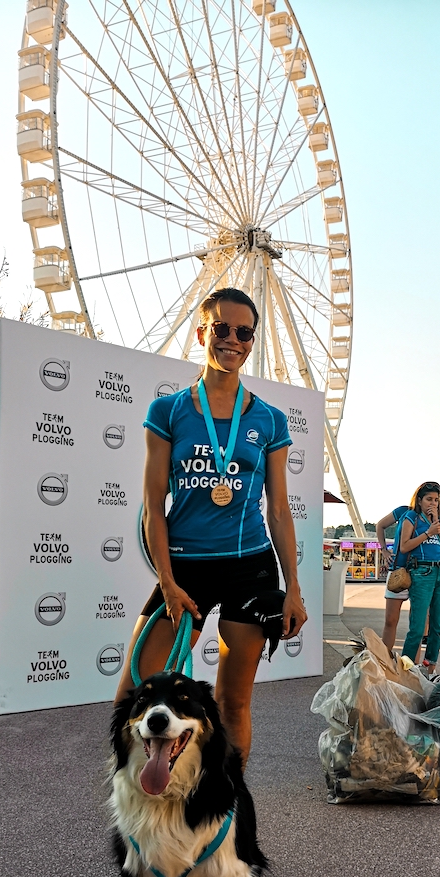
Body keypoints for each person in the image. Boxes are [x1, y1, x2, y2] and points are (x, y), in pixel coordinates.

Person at [113, 287, 307, 765]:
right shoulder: (168, 412)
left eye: (244, 333)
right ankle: (144, 803)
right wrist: (167, 582)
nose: (232, 340)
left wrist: (295, 588)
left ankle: (227, 805)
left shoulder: (270, 420)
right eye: (222, 328)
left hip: (250, 569)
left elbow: (278, 511)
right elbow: (153, 507)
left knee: (233, 703)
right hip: (185, 571)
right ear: (202, 332)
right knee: (130, 698)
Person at [397, 481, 440, 670]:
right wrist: (428, 533)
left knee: (438, 626)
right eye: (429, 499)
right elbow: (404, 546)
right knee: (418, 626)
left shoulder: (437, 521)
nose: (433, 503)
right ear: (419, 500)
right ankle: (405, 668)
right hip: (422, 571)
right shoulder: (411, 517)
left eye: (436, 500)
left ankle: (429, 667)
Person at [376, 502, 411, 651]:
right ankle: (385, 661)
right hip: (398, 570)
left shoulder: (434, 517)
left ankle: (412, 666)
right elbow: (380, 525)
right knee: (390, 620)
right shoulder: (404, 511)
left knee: (418, 625)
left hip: (422, 572)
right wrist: (384, 549)